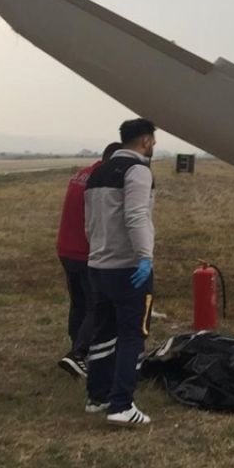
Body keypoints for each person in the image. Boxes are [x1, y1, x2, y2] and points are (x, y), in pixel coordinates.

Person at [83, 118, 158, 426]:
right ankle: (122, 405)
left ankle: (97, 397)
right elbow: (137, 215)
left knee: (102, 332)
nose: (153, 145)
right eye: (152, 139)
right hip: (127, 268)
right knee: (132, 336)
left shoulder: (98, 172)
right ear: (145, 141)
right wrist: (145, 257)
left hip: (98, 265)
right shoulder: (138, 170)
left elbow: (90, 221)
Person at [56, 141, 123, 378]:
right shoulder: (103, 180)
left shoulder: (81, 174)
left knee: (79, 303)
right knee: (98, 304)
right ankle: (78, 354)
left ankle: (76, 351)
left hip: (66, 248)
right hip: (87, 252)